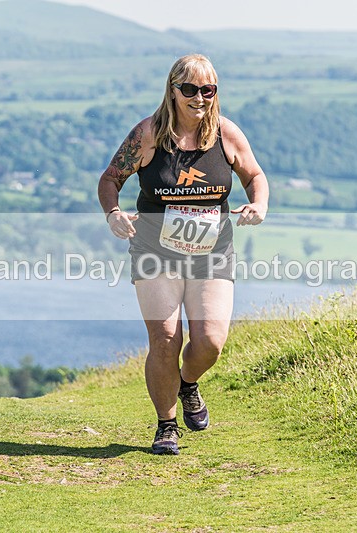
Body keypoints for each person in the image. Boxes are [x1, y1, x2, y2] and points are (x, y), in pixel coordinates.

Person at [97, 54, 269, 455]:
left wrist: (258, 205)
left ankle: (188, 383)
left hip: (212, 252)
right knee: (165, 338)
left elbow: (254, 176)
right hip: (155, 249)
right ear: (172, 91)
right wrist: (113, 213)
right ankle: (166, 425)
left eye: (207, 90)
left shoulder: (226, 134)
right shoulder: (148, 135)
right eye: (189, 89)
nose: (198, 98)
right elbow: (110, 178)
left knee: (209, 340)